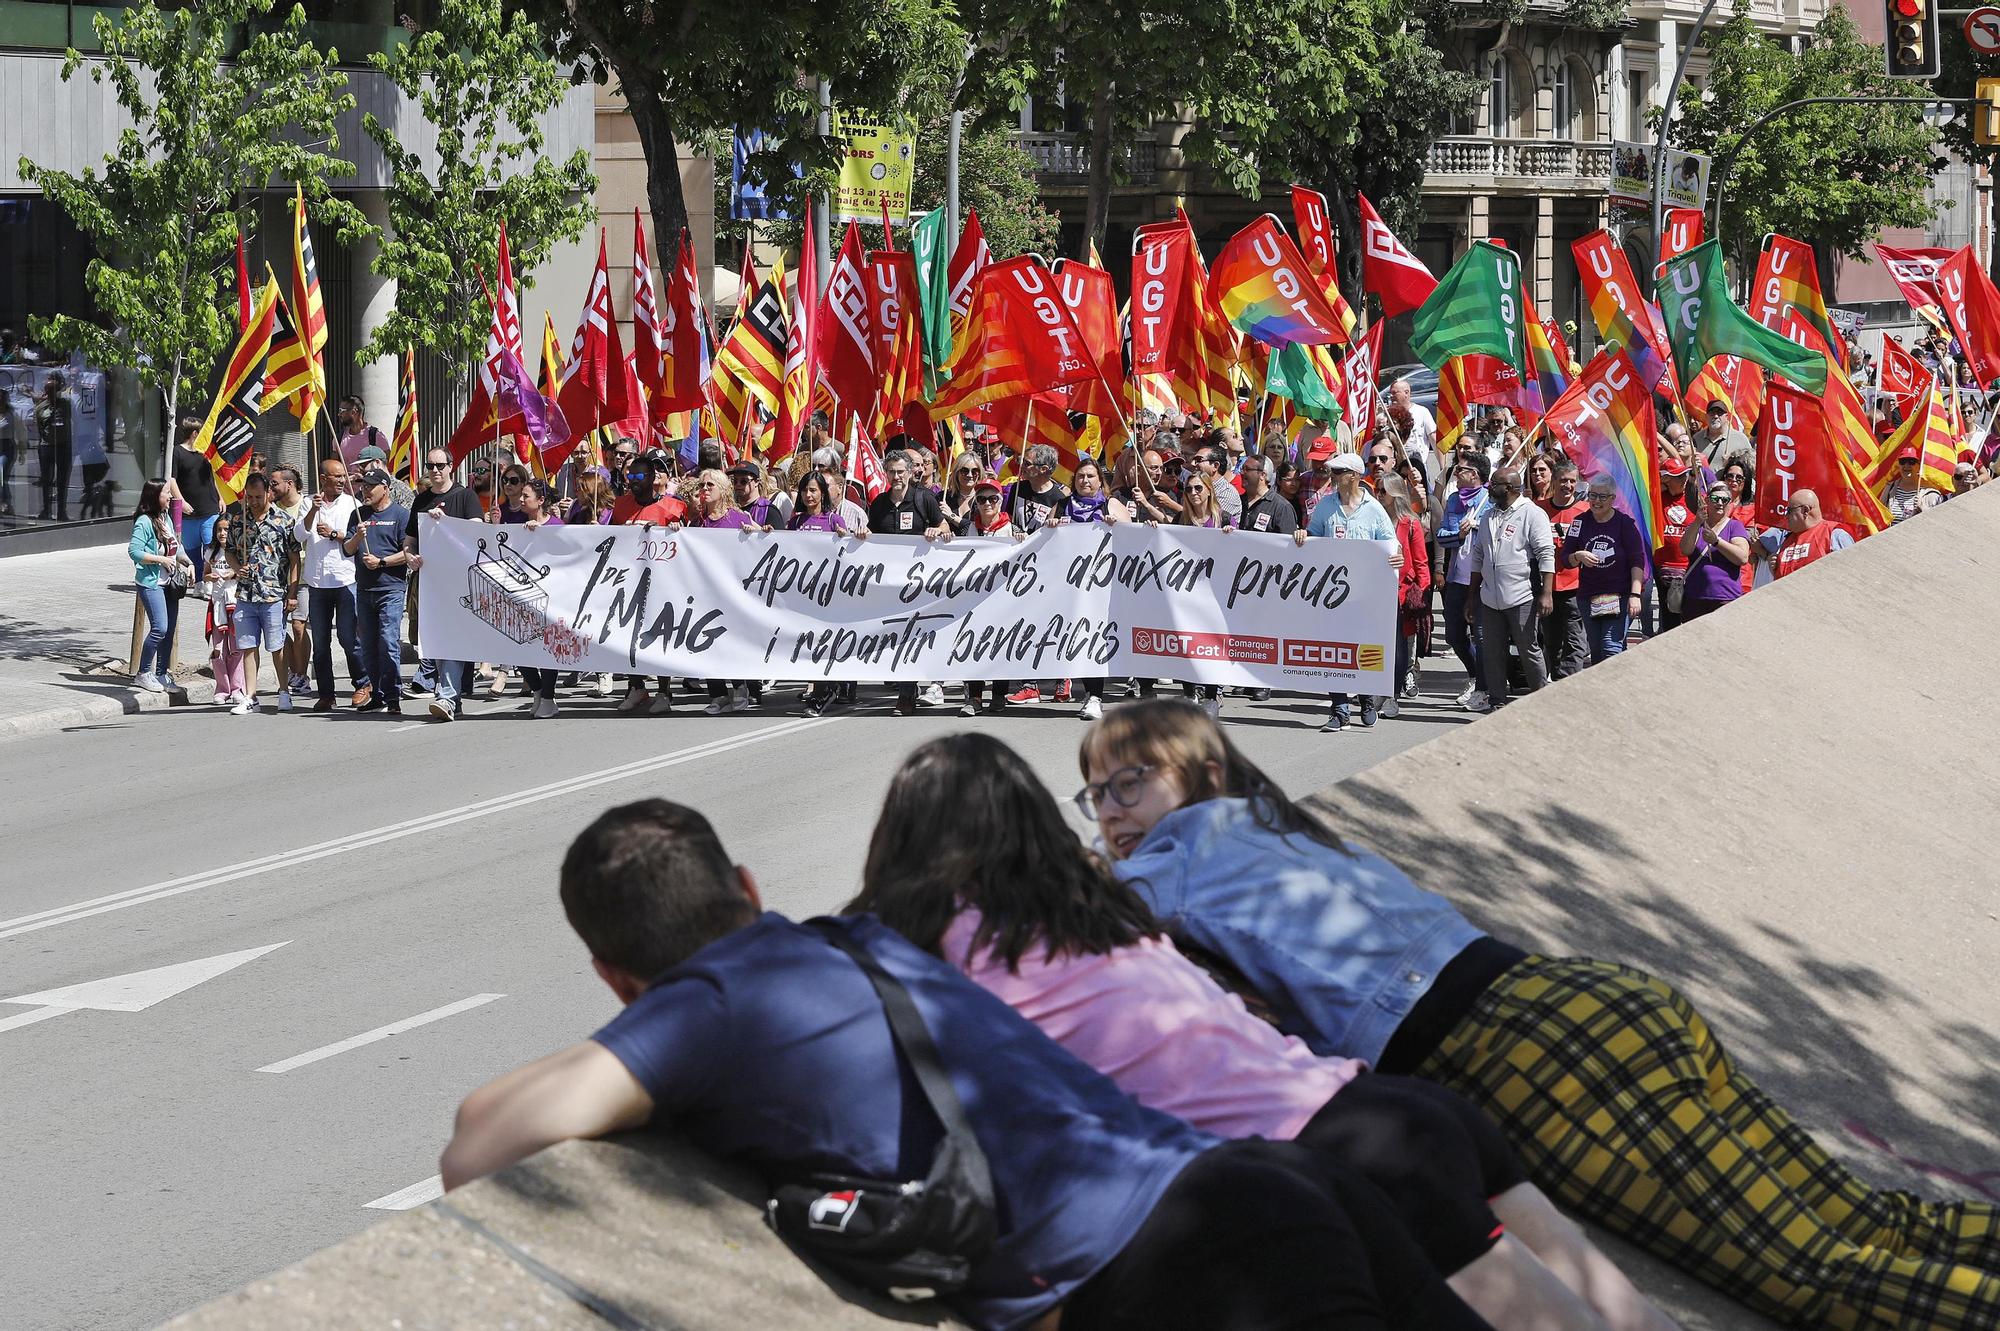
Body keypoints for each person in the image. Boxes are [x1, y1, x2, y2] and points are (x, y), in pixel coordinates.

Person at [1081, 700, 2000, 1331]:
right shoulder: (1280, 827)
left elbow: (1077, 922)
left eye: (1132, 785)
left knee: (1812, 1270)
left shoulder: (1168, 862)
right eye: (1097, 794)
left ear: (1199, 774)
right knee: (1872, 1219)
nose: (1113, 813)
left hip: (1527, 1062)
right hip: (1593, 1004)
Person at [439, 799, 1490, 1331]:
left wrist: (631, 1035)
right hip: (1268, 1179)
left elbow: (482, 1142)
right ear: (748, 884)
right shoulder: (855, 941)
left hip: (1180, 1260)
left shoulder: (705, 1006)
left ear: (613, 976)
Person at [852, 735, 1681, 1331]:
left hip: (1329, 1151)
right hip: (1387, 1105)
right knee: (1618, 1313)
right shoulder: (1105, 915)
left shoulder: (949, 951)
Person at [1306, 453, 1400, 732]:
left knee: (1362, 649)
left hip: (1365, 595)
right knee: (1334, 649)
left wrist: (1397, 555)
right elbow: (1312, 538)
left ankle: (1366, 698)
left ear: (1355, 476)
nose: (1333, 476)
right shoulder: (1325, 506)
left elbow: (1391, 544)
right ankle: (1339, 709)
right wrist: (1302, 537)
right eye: (1333, 471)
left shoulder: (1373, 509)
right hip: (1332, 595)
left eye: (1339, 472)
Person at [866, 449, 951, 717]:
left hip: (921, 582)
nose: (896, 476)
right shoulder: (879, 503)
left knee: (915, 633)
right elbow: (871, 534)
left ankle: (910, 691)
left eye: (901, 471)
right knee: (899, 634)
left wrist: (937, 530)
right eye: (891, 472)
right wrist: (861, 534)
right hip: (890, 582)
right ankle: (906, 688)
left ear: (910, 472)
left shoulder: (924, 499)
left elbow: (946, 527)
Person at [1464, 467, 1552, 712]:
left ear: (1512, 489)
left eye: (1496, 484)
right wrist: (1471, 597)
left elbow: (1546, 553)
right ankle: (1497, 702)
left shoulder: (1533, 514)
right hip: (1490, 597)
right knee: (1492, 651)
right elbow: (1478, 556)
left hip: (1522, 595)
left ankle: (1541, 701)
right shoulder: (1488, 516)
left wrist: (1546, 592)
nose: (1490, 488)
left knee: (1528, 649)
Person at [1046, 457, 1128, 721]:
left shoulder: (1110, 504)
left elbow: (1133, 538)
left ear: (1100, 481)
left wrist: (1118, 525)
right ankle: (1085, 690)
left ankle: (1095, 695)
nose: (1085, 481)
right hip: (1069, 586)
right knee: (1077, 638)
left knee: (1094, 638)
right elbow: (1042, 540)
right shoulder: (1060, 506)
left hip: (1102, 585)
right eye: (1080, 476)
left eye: (1091, 476)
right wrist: (1050, 528)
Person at [406, 447, 483, 720]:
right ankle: (455, 697)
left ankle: (447, 696)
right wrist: (409, 555)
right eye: (430, 465)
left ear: (451, 466)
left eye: (440, 465)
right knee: (437, 640)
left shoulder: (465, 496)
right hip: (431, 580)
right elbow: (411, 539)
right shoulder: (421, 501)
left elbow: (476, 532)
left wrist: (447, 522)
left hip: (460, 579)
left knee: (451, 637)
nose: (435, 470)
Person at [609, 452, 689, 717]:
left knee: (659, 635)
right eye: (630, 475)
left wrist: (677, 530)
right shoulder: (620, 506)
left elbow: (689, 543)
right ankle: (636, 686)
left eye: (640, 475)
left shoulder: (672, 507)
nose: (633, 480)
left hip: (662, 583)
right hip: (629, 582)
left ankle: (664, 691)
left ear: (653, 478)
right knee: (626, 635)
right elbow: (608, 539)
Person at [295, 456, 370, 712]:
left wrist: (335, 535)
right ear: (323, 478)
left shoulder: (352, 504)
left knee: (349, 638)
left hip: (345, 579)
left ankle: (362, 683)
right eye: (336, 476)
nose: (342, 480)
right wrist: (314, 510)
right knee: (321, 642)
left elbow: (357, 538)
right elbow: (299, 534)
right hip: (317, 583)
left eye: (343, 476)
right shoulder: (308, 502)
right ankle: (326, 693)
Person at [223, 472, 301, 715]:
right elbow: (230, 551)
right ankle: (251, 695)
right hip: (246, 594)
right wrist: (237, 569)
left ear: (268, 493)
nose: (254, 501)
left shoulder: (283, 521)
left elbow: (294, 558)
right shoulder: (238, 520)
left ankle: (284, 691)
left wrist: (292, 591)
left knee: (276, 646)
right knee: (248, 646)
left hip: (273, 594)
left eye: (258, 496)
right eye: (250, 496)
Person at [342, 469, 412, 715]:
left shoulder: (402, 515)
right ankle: (377, 694)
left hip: (390, 589)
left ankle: (393, 695)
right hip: (364, 588)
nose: (365, 490)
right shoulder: (358, 515)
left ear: (386, 487)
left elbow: (408, 552)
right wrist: (357, 537)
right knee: (368, 645)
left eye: (371, 486)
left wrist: (382, 562)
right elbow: (348, 550)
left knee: (387, 642)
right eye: (363, 485)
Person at [1564, 478, 1649, 664]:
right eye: (1593, 495)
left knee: (1611, 647)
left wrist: (1635, 594)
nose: (1596, 501)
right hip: (1589, 596)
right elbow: (1566, 559)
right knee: (1596, 650)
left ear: (1612, 498)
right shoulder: (1579, 522)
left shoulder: (1624, 524)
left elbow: (1637, 560)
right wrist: (1578, 556)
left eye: (1602, 496)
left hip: (1619, 595)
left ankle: (1614, 689)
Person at [1436, 453, 1491, 710]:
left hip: (1482, 580)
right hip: (1457, 578)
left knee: (1480, 635)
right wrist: (1458, 533)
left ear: (1475, 475)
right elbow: (1442, 536)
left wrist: (1478, 525)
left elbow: (1498, 533)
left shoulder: (1490, 500)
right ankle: (1475, 674)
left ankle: (1484, 687)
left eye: (1460, 470)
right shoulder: (1454, 500)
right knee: (1454, 635)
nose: (1455, 474)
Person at [127, 479, 191, 692]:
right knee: (160, 628)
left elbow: (176, 545)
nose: (170, 496)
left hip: (170, 583)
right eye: (166, 493)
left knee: (169, 629)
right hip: (151, 583)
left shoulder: (165, 518)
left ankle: (162, 674)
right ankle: (144, 672)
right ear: (155, 496)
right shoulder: (144, 522)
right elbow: (134, 552)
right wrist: (160, 560)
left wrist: (187, 562)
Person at [1381, 476, 1430, 721]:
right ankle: (1376, 689)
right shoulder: (1374, 520)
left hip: (1402, 595)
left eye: (1383, 490)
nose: (1378, 495)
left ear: (1395, 494)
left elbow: (1422, 563)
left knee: (1400, 649)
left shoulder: (1411, 524)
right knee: (1380, 646)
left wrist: (1420, 593)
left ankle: (1393, 695)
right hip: (1375, 594)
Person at [1676, 481, 1749, 621]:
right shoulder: (1696, 525)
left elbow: (1742, 557)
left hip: (1725, 597)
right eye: (1715, 499)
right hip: (1695, 598)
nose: (1720, 503)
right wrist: (1697, 522)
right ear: (1707, 501)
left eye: (1725, 499)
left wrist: (1717, 542)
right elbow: (1685, 550)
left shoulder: (1734, 526)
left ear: (1729, 503)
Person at [170, 417, 223, 581]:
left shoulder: (206, 453)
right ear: (195, 433)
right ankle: (199, 581)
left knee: (211, 546)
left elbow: (214, 477)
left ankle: (211, 581)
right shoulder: (177, 452)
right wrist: (181, 502)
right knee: (192, 550)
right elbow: (171, 480)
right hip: (189, 513)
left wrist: (220, 497)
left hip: (209, 509)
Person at [201, 514, 246, 707]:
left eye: (226, 529)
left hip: (235, 603)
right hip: (217, 603)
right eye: (219, 529)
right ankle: (222, 689)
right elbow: (205, 574)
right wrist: (209, 577)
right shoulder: (210, 551)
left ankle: (238, 688)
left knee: (236, 648)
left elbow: (246, 572)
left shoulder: (239, 550)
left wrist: (234, 573)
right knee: (218, 650)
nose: (222, 533)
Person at [1761, 488, 1854, 579]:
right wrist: (1775, 570)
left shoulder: (1835, 534)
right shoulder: (1785, 540)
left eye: (1789, 511)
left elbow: (1850, 574)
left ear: (1805, 510)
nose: (1786, 515)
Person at [1653, 456, 1698, 635]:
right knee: (1669, 617)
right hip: (1663, 567)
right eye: (1678, 476)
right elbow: (1648, 484)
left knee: (1689, 616)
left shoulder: (1693, 495)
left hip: (1689, 567)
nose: (1683, 479)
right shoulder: (1656, 497)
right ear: (1666, 479)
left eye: (1684, 475)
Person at [1003, 443, 1069, 532]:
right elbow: (1008, 518)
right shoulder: (1017, 487)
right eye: (1022, 461)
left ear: (1043, 469)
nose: (1021, 466)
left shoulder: (1059, 499)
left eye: (1027, 463)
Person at [1718, 455, 1760, 592]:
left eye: (1739, 478)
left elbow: (1752, 542)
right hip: (1715, 574)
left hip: (1741, 577)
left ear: (1746, 482)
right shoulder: (1712, 505)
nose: (1733, 481)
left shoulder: (1753, 510)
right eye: (1729, 476)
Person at [35, 371, 73, 521]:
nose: (51, 393)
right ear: (45, 392)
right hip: (47, 446)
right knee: (46, 480)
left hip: (63, 446)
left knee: (63, 480)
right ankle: (46, 509)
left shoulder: (66, 404)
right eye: (49, 391)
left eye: (54, 390)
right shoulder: (40, 408)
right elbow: (39, 427)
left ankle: (61, 511)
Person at [1883, 447, 1943, 524]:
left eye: (1911, 462)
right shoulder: (1889, 488)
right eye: (1902, 461)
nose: (1906, 465)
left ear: (1919, 466)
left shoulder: (1931, 494)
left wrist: (1923, 510)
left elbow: (1938, 523)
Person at [728, 460, 788, 527]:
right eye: (735, 481)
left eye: (743, 481)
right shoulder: (729, 510)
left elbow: (778, 537)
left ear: (757, 482)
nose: (738, 484)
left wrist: (756, 528)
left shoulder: (768, 510)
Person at [335, 395, 390, 468]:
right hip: (347, 479)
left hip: (369, 479)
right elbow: (335, 466)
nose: (339, 414)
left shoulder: (375, 435)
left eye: (341, 411)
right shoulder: (339, 437)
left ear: (353, 412)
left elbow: (387, 463)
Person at [1693, 400, 1750, 470]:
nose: (1715, 416)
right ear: (1706, 416)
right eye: (1712, 413)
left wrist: (1731, 463)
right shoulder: (1696, 439)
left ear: (1726, 417)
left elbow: (1750, 466)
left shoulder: (1740, 439)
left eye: (1719, 413)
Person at [1193, 444, 1242, 523]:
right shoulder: (1193, 487)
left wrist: (1170, 503)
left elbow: (1211, 522)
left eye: (1198, 460)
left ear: (1215, 466)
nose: (1192, 464)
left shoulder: (1226, 493)